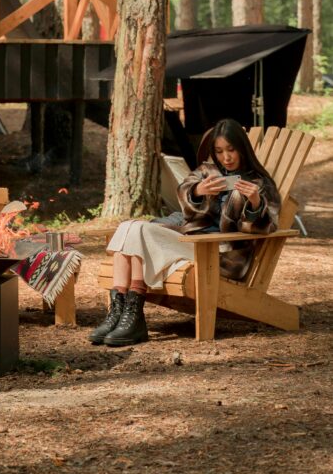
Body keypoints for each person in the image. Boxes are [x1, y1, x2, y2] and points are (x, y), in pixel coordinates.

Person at [90, 118, 281, 347]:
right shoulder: (206, 172)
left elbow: (265, 227)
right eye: (219, 151)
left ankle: (134, 315)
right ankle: (120, 313)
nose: (226, 158)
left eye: (231, 150)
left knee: (137, 230)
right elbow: (184, 195)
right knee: (127, 227)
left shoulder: (259, 183)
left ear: (242, 149)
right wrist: (198, 191)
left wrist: (254, 203)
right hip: (191, 241)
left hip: (219, 254)